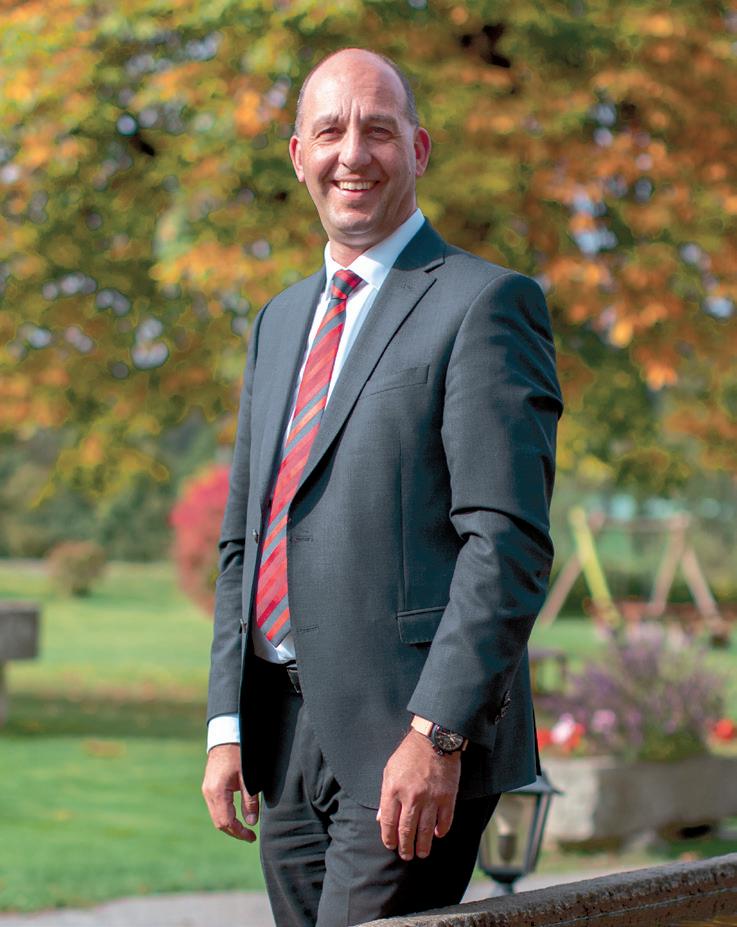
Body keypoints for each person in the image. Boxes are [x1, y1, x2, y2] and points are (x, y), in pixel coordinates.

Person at [202, 47, 562, 927]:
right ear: (299, 155)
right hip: (283, 739)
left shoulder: (485, 304)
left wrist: (437, 731)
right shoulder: (280, 319)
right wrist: (226, 724)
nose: (352, 154)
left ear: (419, 149)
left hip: (409, 743)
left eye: (378, 130)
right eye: (330, 131)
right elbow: (246, 537)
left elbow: (505, 543)